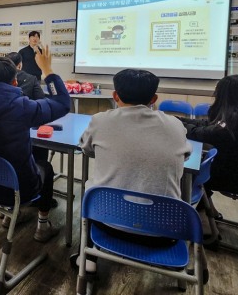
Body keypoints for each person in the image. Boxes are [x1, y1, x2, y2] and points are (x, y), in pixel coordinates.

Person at [73, 69, 190, 273]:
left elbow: (86, 148)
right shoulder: (175, 125)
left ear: (115, 96)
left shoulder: (100, 121)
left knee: (92, 187)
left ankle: (88, 260)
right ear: (154, 98)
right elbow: (185, 157)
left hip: (105, 223)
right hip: (163, 233)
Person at [0, 46, 70, 242]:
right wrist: (47, 70)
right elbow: (62, 102)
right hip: (20, 188)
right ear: (15, 82)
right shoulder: (22, 107)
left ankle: (10, 214)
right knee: (45, 167)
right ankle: (42, 225)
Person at [178, 74, 238, 200]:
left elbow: (204, 134)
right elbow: (213, 125)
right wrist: (180, 121)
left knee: (190, 173)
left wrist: (175, 124)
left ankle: (194, 209)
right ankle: (204, 209)